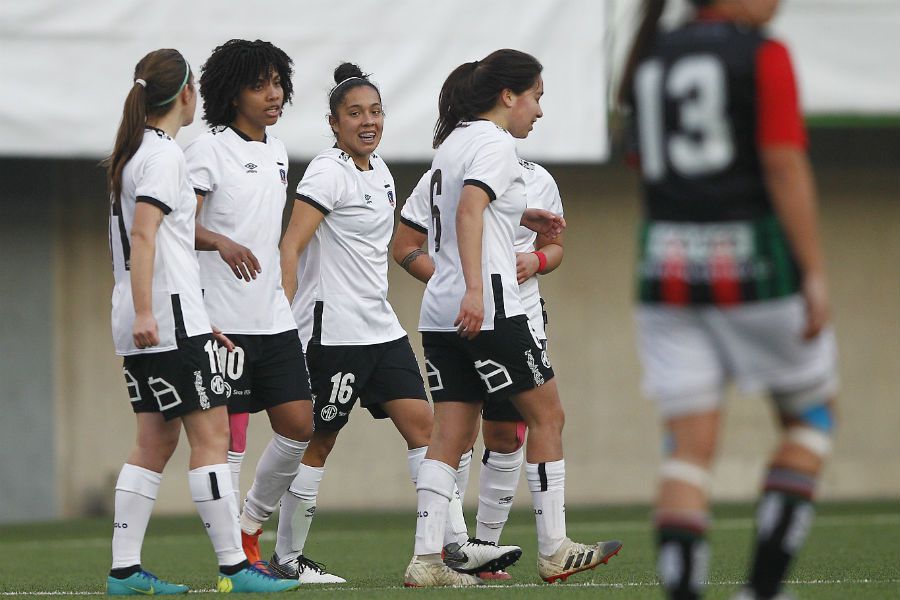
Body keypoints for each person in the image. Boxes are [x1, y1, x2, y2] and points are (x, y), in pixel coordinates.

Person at [618, 1, 839, 598]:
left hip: (663, 270)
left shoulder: (648, 57)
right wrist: (814, 271)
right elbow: (783, 163)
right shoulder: (763, 53)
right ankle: (763, 589)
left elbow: (646, 166)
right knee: (811, 419)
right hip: (756, 265)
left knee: (687, 452)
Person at [276, 62, 520, 582]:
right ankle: (286, 556)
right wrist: (281, 314)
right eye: (355, 114)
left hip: (381, 329)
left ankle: (452, 548)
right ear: (335, 123)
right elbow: (292, 245)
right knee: (319, 440)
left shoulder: (382, 172)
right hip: (333, 330)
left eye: (376, 112)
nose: (368, 122)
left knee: (427, 431)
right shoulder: (325, 171)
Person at [403, 48, 623, 587]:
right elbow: (468, 209)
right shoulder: (497, 143)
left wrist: (517, 214)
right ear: (508, 96)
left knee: (450, 433)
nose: (539, 111)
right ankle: (554, 548)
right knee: (548, 417)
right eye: (537, 97)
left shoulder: (452, 142)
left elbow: (460, 205)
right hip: (490, 308)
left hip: (438, 310)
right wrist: (479, 289)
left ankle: (427, 558)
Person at [104, 48, 298, 595]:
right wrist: (155, 311)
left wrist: (180, 314)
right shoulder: (164, 155)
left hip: (153, 317)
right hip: (162, 317)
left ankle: (124, 572)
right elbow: (146, 235)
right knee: (211, 436)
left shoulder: (132, 152)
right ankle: (237, 568)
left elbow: (154, 242)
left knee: (152, 442)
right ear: (187, 94)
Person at [183, 39, 334, 581]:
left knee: (299, 426)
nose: (274, 95)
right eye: (259, 85)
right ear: (231, 94)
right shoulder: (206, 150)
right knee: (226, 443)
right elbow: (180, 226)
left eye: (278, 83)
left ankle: (249, 526)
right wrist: (219, 242)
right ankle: (236, 562)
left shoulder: (276, 150)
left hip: (272, 317)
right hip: (221, 323)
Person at [391, 157, 566, 581]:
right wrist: (452, 282)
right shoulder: (451, 169)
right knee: (461, 432)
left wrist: (538, 261)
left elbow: (556, 247)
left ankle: (479, 550)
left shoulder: (538, 177)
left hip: (518, 320)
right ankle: (456, 546)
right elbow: (405, 244)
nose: (536, 110)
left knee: (505, 433)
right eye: (531, 95)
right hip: (473, 316)